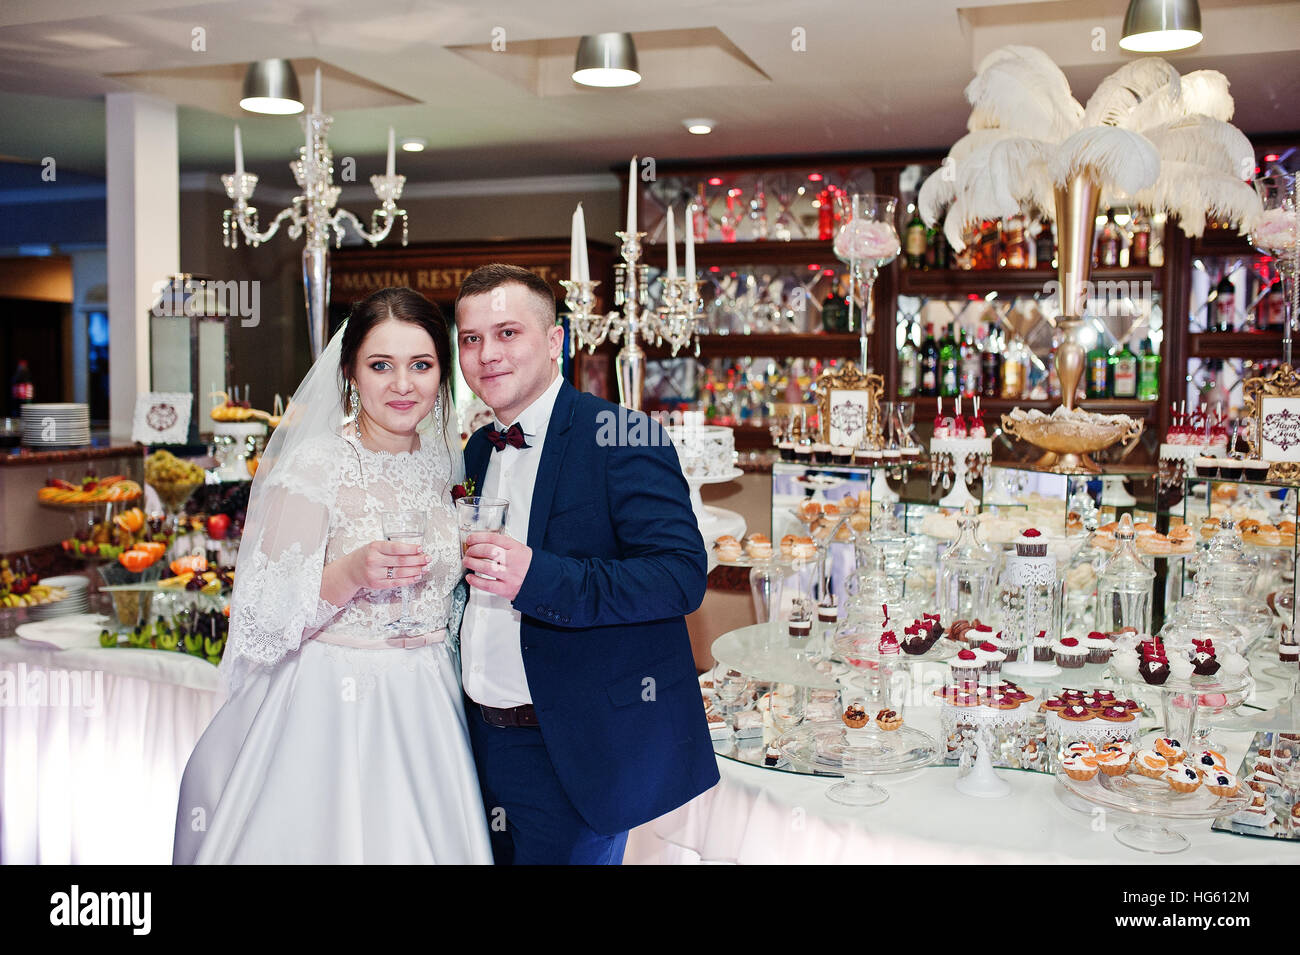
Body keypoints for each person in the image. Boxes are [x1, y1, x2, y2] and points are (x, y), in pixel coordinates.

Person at [173, 287, 492, 864]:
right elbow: (262, 619)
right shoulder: (316, 464)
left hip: (431, 702)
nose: (403, 384)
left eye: (421, 365)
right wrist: (347, 574)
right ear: (349, 373)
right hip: (334, 705)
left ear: (443, 375)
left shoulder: (447, 461)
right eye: (381, 365)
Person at [455, 264, 719, 865]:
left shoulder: (622, 436)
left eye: (507, 333)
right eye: (471, 339)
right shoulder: (476, 448)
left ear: (554, 343)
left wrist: (539, 578)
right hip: (476, 745)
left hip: (573, 752)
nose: (487, 353)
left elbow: (680, 576)